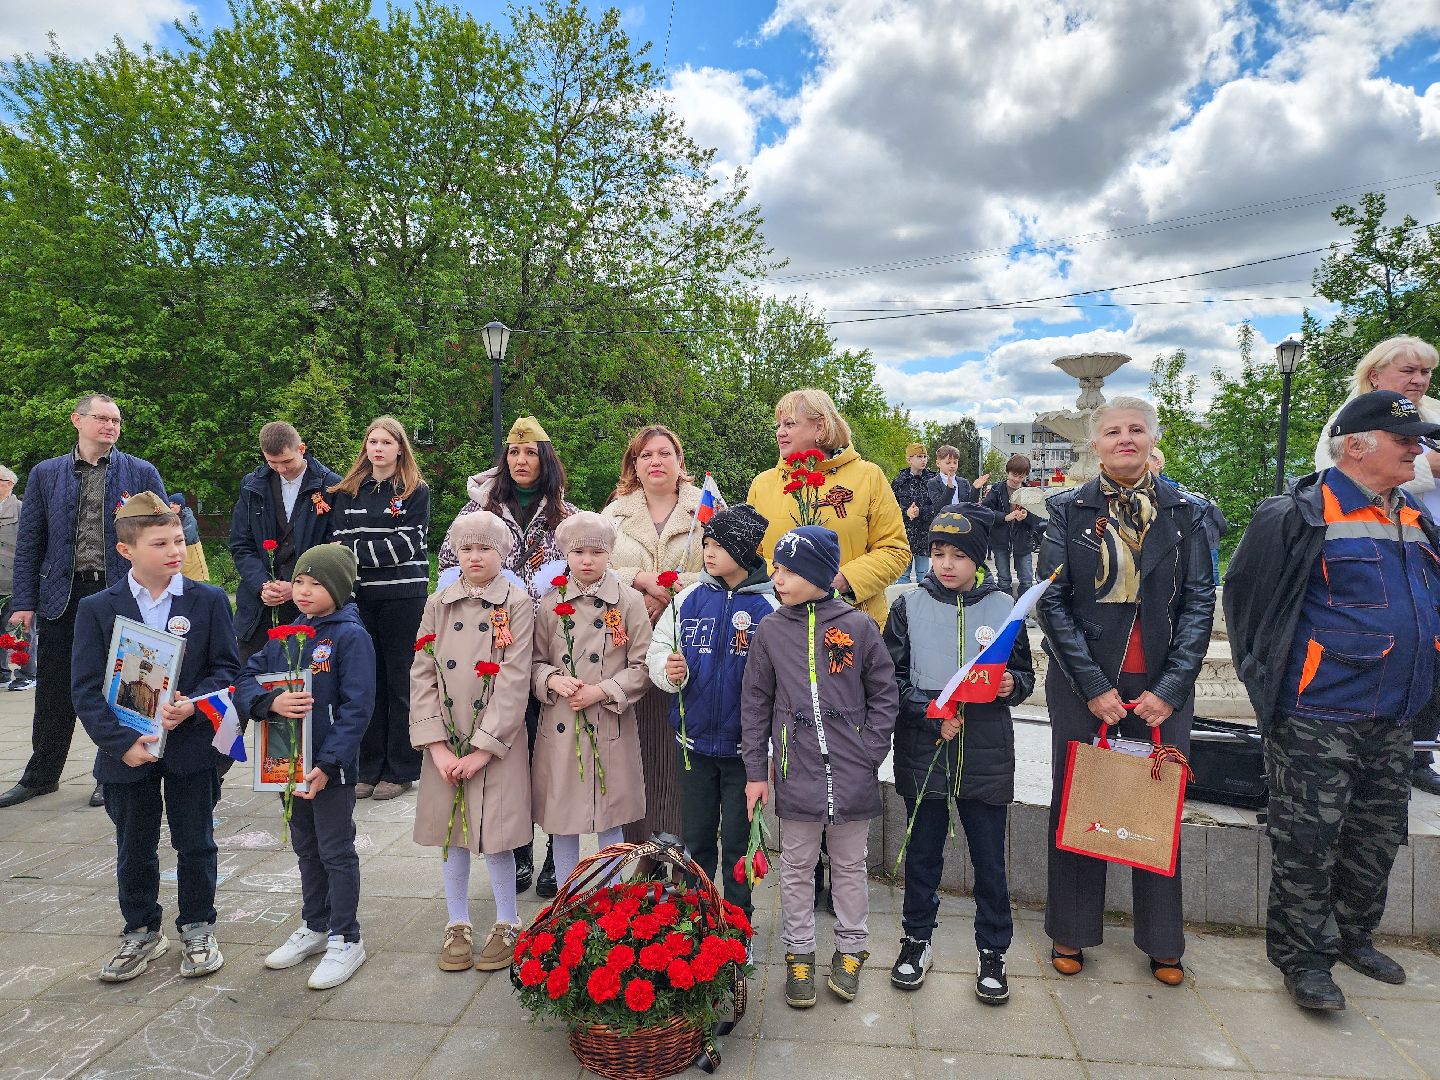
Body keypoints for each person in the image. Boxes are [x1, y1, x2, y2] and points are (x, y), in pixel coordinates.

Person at [1227, 390, 1440, 1011]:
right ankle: (1304, 961)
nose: (1418, 451)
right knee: (1307, 841)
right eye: (1405, 441)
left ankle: (1353, 936)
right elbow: (1248, 608)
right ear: (1356, 446)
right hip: (1317, 715)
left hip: (1396, 714)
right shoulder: (1297, 513)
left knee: (1377, 836)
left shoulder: (1411, 515)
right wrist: (1267, 689)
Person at [1036, 395, 1213, 986]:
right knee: (1078, 802)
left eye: (1136, 429)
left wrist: (1171, 686)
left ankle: (1162, 939)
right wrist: (1092, 687)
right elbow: (1054, 603)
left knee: (1155, 804)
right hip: (1087, 685)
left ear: (1152, 437)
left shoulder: (1185, 511)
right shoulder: (1067, 511)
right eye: (1113, 431)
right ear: (1096, 444)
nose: (1125, 439)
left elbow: (1198, 602)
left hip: (1160, 687)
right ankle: (1072, 930)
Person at [72, 493, 239, 982]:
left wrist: (194, 703)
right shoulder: (99, 608)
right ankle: (141, 929)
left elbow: (228, 670)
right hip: (127, 751)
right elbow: (83, 687)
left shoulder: (206, 600)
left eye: (179, 540)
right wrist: (120, 742)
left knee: (196, 841)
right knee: (134, 845)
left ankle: (198, 926)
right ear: (127, 551)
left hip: (189, 747)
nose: (174, 551)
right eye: (161, 542)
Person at [741, 525, 899, 1008]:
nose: (777, 578)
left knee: (851, 864)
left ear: (818, 574)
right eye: (777, 568)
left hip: (851, 773)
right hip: (795, 771)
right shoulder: (770, 629)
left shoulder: (856, 625)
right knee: (797, 865)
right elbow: (755, 703)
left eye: (789, 570)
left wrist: (869, 751)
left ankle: (851, 949)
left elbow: (884, 693)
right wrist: (755, 771)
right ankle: (800, 953)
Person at [885, 506, 1033, 1002]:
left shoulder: (1004, 607)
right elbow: (891, 680)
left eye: (959, 555)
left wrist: (1012, 684)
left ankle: (992, 950)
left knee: (990, 859)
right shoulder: (909, 606)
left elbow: (1025, 675)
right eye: (937, 553)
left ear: (979, 559)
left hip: (986, 750)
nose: (946, 564)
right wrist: (929, 712)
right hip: (925, 749)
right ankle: (915, 939)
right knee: (923, 854)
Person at [437, 416, 578, 898]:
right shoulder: (477, 511)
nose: (521, 461)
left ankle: (555, 861)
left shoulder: (566, 513)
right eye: (514, 454)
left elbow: (582, 575)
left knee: (550, 755)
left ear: (546, 460)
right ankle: (517, 852)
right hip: (489, 653)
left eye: (530, 454)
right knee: (507, 756)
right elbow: (447, 567)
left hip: (550, 649)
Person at [3, 393, 166, 809]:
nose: (111, 426)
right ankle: (42, 775)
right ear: (77, 420)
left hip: (120, 594)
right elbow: (30, 543)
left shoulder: (140, 471)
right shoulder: (46, 474)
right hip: (62, 595)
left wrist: (161, 592)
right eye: (102, 418)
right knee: (55, 688)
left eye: (117, 420)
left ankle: (112, 768)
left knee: (122, 686)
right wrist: (24, 600)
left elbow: (164, 531)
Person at [237, 545, 375, 991]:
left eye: (316, 583)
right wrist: (269, 702)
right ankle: (315, 926)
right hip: (286, 765)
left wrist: (331, 762)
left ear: (338, 588)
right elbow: (243, 680)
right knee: (306, 847)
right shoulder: (285, 636)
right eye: (299, 581)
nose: (304, 591)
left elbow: (358, 708)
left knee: (336, 849)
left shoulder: (349, 637)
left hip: (328, 771)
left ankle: (346, 937)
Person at [1313, 336, 1440, 796]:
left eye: (1424, 372)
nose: (1419, 381)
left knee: (1428, 646)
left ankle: (1420, 746)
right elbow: (1339, 474)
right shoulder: (1351, 417)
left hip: (1423, 544)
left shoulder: (1434, 411)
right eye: (1408, 371)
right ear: (1375, 374)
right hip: (1371, 556)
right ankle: (1415, 752)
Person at [410, 510, 534, 972]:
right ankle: (457, 921)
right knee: (453, 834)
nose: (476, 556)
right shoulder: (438, 603)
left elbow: (516, 677)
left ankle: (507, 920)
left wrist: (483, 748)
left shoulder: (517, 603)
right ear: (454, 553)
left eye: (485, 548)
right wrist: (436, 745)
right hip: (445, 739)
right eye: (467, 548)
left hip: (495, 743)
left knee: (497, 835)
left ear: (502, 553)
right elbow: (422, 670)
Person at [645, 504, 778, 919]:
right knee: (697, 838)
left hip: (744, 752)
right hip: (695, 745)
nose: (708, 552)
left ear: (744, 549)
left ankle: (738, 923)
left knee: (739, 844)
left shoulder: (771, 606)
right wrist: (669, 673)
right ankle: (696, 919)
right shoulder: (687, 599)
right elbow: (659, 651)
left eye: (719, 545)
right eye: (705, 544)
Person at [531, 511, 653, 890]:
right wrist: (552, 679)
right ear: (565, 554)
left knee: (611, 817)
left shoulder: (629, 601)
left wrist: (602, 690)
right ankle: (567, 898)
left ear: (610, 554)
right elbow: (532, 662)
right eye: (578, 552)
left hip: (609, 724)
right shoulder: (551, 605)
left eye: (596, 553)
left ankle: (612, 898)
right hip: (562, 725)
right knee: (563, 820)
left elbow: (644, 665)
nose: (587, 560)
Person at [601, 425, 705, 860]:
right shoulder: (613, 515)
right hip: (627, 645)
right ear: (635, 465)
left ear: (680, 462)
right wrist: (639, 581)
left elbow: (729, 566)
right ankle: (639, 852)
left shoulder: (705, 509)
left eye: (665, 453)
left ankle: (683, 850)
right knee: (637, 748)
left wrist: (677, 586)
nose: (656, 461)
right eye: (646, 455)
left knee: (679, 747)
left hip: (689, 644)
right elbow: (590, 568)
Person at [745, 389, 910, 631]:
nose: (780, 432)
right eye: (778, 425)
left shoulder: (868, 476)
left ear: (819, 427)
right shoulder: (763, 484)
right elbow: (749, 554)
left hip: (853, 626)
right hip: (781, 625)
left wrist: (844, 580)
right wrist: (781, 578)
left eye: (790, 424)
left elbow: (894, 550)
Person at [328, 416, 431, 801]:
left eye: (387, 442)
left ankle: (401, 769)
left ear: (400, 448)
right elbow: (338, 540)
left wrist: (355, 553)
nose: (379, 448)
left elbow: (405, 546)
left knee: (400, 682)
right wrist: (363, 553)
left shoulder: (414, 492)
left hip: (404, 598)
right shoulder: (348, 492)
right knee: (365, 683)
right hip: (361, 598)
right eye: (373, 441)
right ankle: (367, 768)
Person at [229, 422, 340, 664]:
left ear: (301, 448)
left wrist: (297, 586)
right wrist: (262, 584)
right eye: (272, 463)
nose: (281, 469)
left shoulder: (331, 486)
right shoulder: (251, 486)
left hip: (311, 605)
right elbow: (240, 543)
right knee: (251, 679)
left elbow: (335, 549)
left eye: (287, 462)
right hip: (259, 608)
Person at [0, 465, 36, 691]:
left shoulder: (22, 509)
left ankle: (26, 674)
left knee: (21, 629)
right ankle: (2, 673)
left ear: (10, 484)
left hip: (16, 581)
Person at [983, 456, 1035, 596]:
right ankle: (1006, 609)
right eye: (1014, 475)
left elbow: (1038, 517)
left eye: (1021, 476)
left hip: (1023, 541)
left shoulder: (1030, 492)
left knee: (1026, 579)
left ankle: (1022, 612)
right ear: (1008, 472)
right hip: (1000, 540)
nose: (1017, 479)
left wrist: (1027, 516)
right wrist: (1005, 517)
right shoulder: (997, 489)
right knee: (1004, 579)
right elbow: (985, 511)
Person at [891, 443, 937, 584]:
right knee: (902, 575)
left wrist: (920, 512)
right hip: (905, 535)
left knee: (923, 575)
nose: (923, 460)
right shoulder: (899, 481)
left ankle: (923, 605)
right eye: (919, 457)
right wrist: (906, 512)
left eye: (925, 456)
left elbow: (939, 507)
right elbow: (889, 507)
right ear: (909, 459)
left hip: (924, 535)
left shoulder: (933, 480)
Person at [925, 445, 986, 513]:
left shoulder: (963, 482)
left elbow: (971, 505)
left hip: (963, 521)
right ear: (938, 463)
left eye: (955, 462)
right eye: (948, 463)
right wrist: (949, 489)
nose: (952, 466)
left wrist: (975, 489)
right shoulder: (933, 483)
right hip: (944, 522)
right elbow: (939, 507)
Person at [168, 492, 210, 583]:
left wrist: (170, 541)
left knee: (193, 584)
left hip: (192, 555)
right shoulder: (171, 518)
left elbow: (188, 537)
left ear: (180, 505)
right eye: (170, 503)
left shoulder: (189, 518)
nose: (171, 505)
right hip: (180, 555)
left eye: (174, 503)